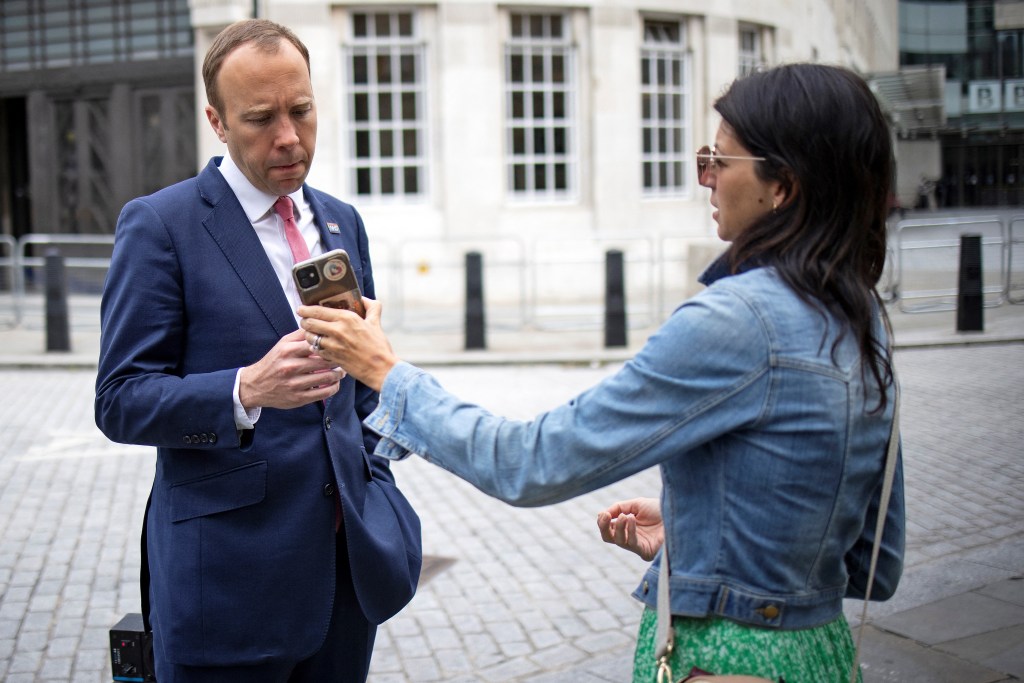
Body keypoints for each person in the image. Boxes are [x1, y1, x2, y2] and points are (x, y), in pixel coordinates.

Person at [298, 63, 905, 682]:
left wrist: (386, 371)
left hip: (728, 661)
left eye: (720, 161)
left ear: (785, 186)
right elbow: (872, 562)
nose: (706, 180)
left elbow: (529, 462)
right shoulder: (859, 313)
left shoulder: (738, 320)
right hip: (821, 655)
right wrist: (701, 531)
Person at [94, 19, 421, 683]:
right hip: (229, 588)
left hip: (346, 576)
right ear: (216, 120)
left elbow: (356, 395)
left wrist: (382, 440)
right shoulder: (161, 225)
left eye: (301, 111)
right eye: (260, 118)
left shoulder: (340, 220)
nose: (289, 138)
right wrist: (245, 388)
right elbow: (120, 399)